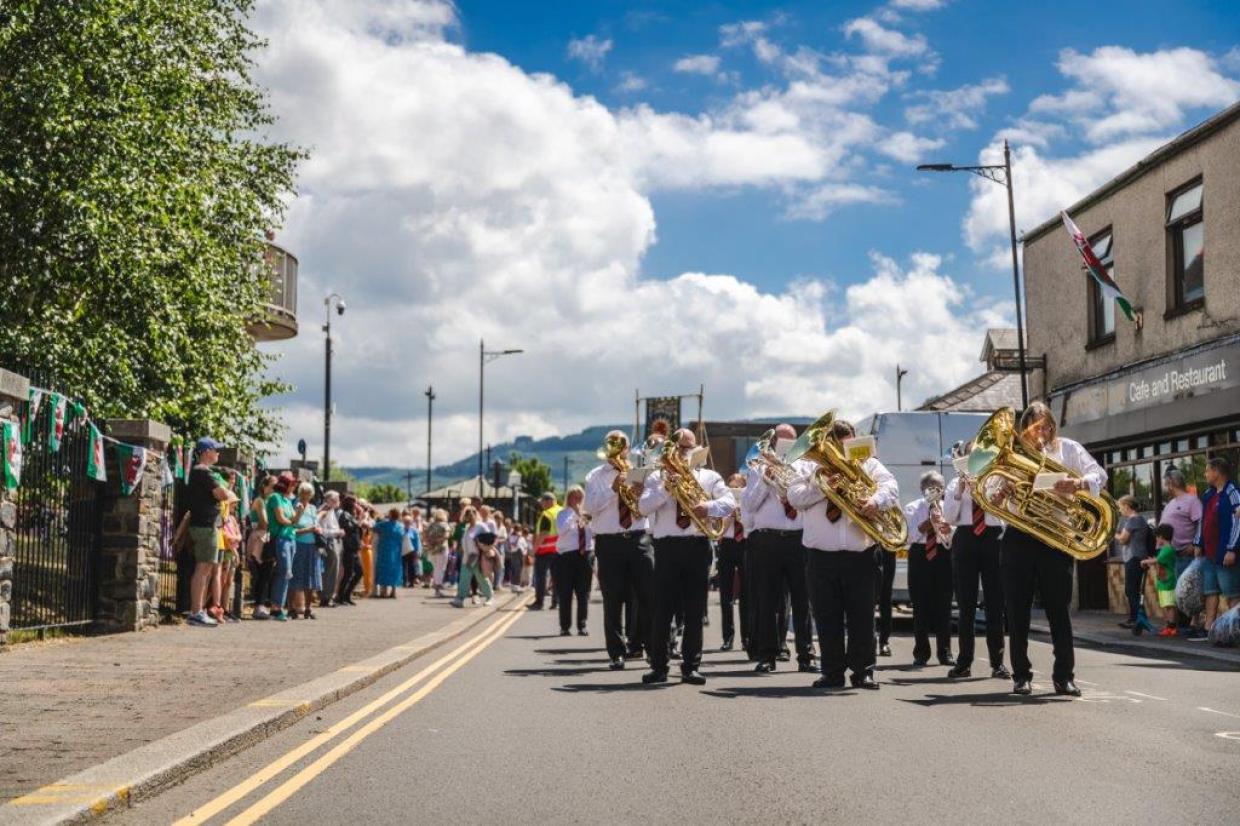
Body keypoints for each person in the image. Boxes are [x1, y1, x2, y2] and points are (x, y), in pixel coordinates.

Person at [994, 402, 1106, 697]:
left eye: (1046, 427)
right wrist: (1001, 493)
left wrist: (1078, 482)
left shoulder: (1068, 449)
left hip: (1055, 537)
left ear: (1053, 427)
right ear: (1025, 429)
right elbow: (992, 500)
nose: (1041, 434)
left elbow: (1100, 475)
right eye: (1034, 428)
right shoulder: (1013, 453)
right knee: (1017, 611)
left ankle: (1064, 676)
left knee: (1059, 609)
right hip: (1019, 536)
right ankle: (1021, 675)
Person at [787, 416, 898, 691]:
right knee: (826, 616)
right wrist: (823, 487)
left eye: (848, 446)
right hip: (819, 555)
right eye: (839, 447)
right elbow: (794, 497)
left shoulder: (867, 462)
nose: (843, 454)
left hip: (860, 554)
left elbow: (891, 486)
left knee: (862, 615)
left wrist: (874, 501)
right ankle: (832, 672)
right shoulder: (806, 465)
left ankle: (864, 671)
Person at [637, 428, 735, 686]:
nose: (683, 453)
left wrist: (708, 507)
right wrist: (667, 488)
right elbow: (643, 507)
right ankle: (658, 666)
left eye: (688, 448)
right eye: (680, 448)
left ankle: (691, 666)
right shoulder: (657, 478)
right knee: (662, 610)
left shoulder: (710, 477)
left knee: (694, 610)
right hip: (667, 547)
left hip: (697, 545)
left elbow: (730, 502)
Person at [742, 423, 814, 674]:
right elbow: (749, 505)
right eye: (780, 442)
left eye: (790, 442)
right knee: (767, 600)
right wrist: (766, 481)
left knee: (803, 600)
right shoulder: (756, 468)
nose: (784, 447)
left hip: (799, 538)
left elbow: (808, 497)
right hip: (767, 540)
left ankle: (807, 655)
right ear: (772, 445)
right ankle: (767, 656)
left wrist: (786, 474)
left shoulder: (805, 466)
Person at [584, 431, 653, 669]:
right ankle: (616, 652)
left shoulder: (639, 472)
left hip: (638, 538)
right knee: (612, 599)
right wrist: (613, 489)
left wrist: (641, 494)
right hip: (609, 541)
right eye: (612, 444)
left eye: (621, 444)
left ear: (627, 448)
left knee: (646, 595)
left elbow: (651, 507)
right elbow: (590, 507)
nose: (617, 449)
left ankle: (640, 645)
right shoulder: (595, 476)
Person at [942, 447, 1009, 680]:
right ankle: (964, 661)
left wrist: (989, 493)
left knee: (995, 604)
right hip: (966, 537)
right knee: (966, 605)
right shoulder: (954, 483)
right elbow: (949, 517)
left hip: (993, 537)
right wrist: (960, 492)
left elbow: (1007, 512)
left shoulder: (998, 478)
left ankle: (998, 662)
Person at [903, 472, 955, 668]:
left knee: (944, 605)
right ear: (922, 489)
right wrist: (928, 523)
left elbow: (953, 537)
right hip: (920, 555)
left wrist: (944, 525)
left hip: (943, 555)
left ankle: (945, 652)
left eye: (939, 487)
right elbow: (909, 537)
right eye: (931, 486)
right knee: (920, 606)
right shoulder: (912, 507)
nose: (935, 490)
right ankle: (921, 652)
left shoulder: (948, 508)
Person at [186, 438, 238, 627]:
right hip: (205, 526)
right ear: (206, 451)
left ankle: (198, 611)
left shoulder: (205, 473)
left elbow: (225, 494)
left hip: (208, 526)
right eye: (216, 450)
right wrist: (223, 490)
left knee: (207, 569)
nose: (218, 454)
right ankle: (196, 612)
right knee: (203, 569)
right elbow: (224, 495)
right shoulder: (204, 472)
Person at [1193, 457, 1240, 630]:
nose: (1205, 474)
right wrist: (1198, 542)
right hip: (1208, 554)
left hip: (1224, 553)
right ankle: (1208, 629)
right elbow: (1203, 521)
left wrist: (1232, 548)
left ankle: (1234, 630)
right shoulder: (1208, 494)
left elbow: (1238, 522)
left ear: (1216, 472)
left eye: (1207, 470)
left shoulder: (1233, 492)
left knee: (1232, 593)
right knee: (1210, 591)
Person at [1159, 468, 1204, 637]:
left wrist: (1195, 544)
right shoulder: (1171, 503)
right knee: (1176, 591)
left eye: (1166, 482)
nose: (1165, 486)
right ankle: (1179, 624)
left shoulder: (1192, 501)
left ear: (1172, 482)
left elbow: (1200, 523)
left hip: (1187, 553)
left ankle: (1193, 623)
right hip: (1172, 556)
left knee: (1190, 589)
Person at [554, 486, 594, 637]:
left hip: (584, 556)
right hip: (566, 557)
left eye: (580, 498)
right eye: (574, 497)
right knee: (565, 593)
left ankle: (582, 625)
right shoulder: (562, 514)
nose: (578, 501)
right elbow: (561, 530)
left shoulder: (587, 515)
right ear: (569, 499)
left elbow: (592, 531)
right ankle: (565, 626)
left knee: (583, 593)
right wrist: (574, 514)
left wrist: (581, 515)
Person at [716, 473, 748, 653]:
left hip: (744, 543)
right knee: (726, 595)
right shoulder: (723, 501)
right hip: (727, 545)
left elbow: (751, 523)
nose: (735, 488)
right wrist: (730, 516)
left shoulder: (749, 498)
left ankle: (747, 637)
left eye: (738, 486)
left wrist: (741, 515)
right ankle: (727, 637)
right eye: (732, 486)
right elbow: (718, 531)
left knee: (746, 594)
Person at [1115, 495, 1152, 631]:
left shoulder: (1133, 520)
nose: (1120, 510)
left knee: (1132, 590)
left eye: (1121, 507)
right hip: (1136, 557)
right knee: (1132, 590)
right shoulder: (1140, 520)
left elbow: (1123, 539)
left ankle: (1136, 619)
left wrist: (1112, 534)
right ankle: (1137, 618)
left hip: (1134, 557)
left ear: (1127, 506)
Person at [266, 472, 298, 621]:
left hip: (291, 538)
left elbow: (293, 520)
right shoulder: (275, 498)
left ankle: (278, 606)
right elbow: (281, 519)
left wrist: (296, 517)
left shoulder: (286, 500)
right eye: (292, 484)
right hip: (281, 538)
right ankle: (276, 607)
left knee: (287, 573)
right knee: (284, 571)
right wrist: (294, 519)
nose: (294, 487)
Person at [289, 482, 322, 619]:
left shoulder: (313, 508)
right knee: (296, 576)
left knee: (311, 577)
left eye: (308, 494)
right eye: (303, 493)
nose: (305, 496)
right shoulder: (295, 506)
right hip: (298, 545)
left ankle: (308, 608)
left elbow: (316, 524)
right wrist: (309, 529)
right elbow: (292, 529)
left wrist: (318, 529)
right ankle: (292, 608)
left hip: (312, 546)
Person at [451, 506, 495, 607]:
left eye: (472, 514)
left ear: (476, 515)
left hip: (477, 556)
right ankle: (460, 599)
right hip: (467, 556)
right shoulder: (467, 527)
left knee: (481, 577)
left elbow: (490, 539)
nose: (470, 517)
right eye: (468, 515)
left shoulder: (481, 526)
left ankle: (489, 597)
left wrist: (482, 547)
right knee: (464, 578)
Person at [1142, 524, 1179, 636]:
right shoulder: (1164, 550)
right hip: (1163, 581)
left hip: (1168, 582)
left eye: (1157, 537)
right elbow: (1158, 560)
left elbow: (1157, 560)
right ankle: (1168, 625)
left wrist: (1144, 562)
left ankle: (1172, 627)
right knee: (1166, 605)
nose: (1156, 539)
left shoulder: (1168, 550)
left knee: (1169, 605)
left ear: (1162, 536)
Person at [247, 475, 276, 619]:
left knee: (266, 574)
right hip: (260, 539)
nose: (275, 490)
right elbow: (264, 522)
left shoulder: (272, 502)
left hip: (267, 537)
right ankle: (258, 606)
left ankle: (261, 605)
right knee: (261, 574)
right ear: (264, 487)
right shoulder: (260, 501)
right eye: (272, 486)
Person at [529, 492, 562, 610]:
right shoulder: (562, 511)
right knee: (557, 577)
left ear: (549, 501)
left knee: (541, 577)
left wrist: (534, 550)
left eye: (542, 501)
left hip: (545, 551)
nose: (541, 504)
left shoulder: (547, 514)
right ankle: (556, 602)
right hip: (560, 550)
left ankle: (539, 602)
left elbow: (544, 533)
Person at [317, 491, 344, 607]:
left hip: (335, 541)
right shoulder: (325, 510)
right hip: (330, 542)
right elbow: (322, 530)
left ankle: (328, 596)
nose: (338, 501)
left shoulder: (331, 510)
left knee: (334, 570)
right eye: (336, 499)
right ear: (329, 500)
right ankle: (325, 597)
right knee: (330, 571)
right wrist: (337, 532)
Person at [372, 507, 407, 599]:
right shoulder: (401, 526)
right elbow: (403, 536)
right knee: (395, 569)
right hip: (396, 550)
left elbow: (374, 528)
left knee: (383, 568)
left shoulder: (383, 524)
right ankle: (393, 591)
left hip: (384, 549)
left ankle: (384, 591)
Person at [336, 495, 364, 605]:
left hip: (354, 548)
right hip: (349, 548)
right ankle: (341, 596)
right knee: (348, 573)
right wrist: (360, 520)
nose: (357, 506)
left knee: (358, 572)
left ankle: (346, 595)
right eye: (355, 503)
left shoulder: (351, 515)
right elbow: (349, 528)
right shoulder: (344, 515)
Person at [424, 508, 451, 597]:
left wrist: (431, 542)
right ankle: (437, 589)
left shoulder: (430, 525)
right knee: (441, 568)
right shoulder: (445, 525)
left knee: (435, 568)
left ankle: (436, 587)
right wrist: (438, 540)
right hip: (441, 548)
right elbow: (446, 536)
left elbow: (425, 536)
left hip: (432, 549)